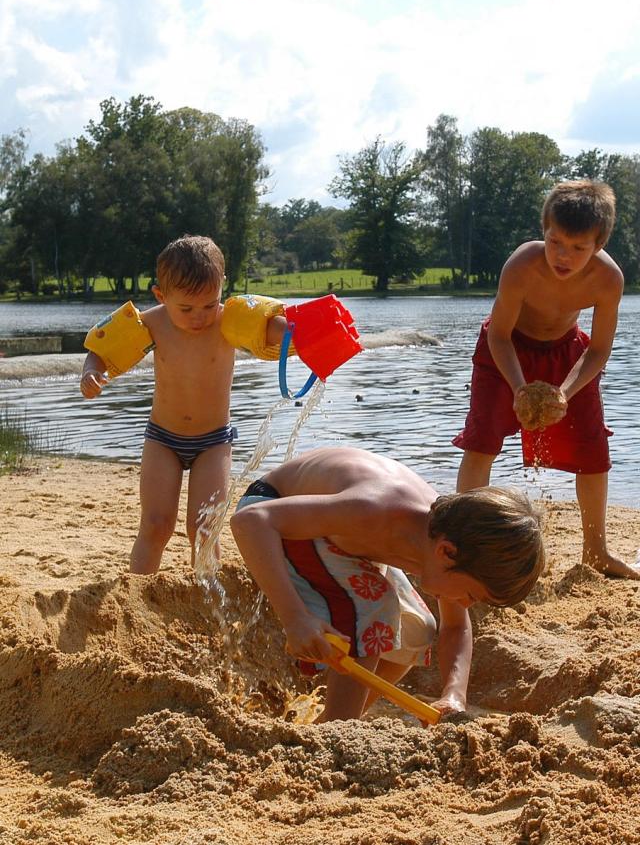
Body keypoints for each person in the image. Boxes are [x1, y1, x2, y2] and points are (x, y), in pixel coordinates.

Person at [230, 446, 544, 722]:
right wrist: (295, 619)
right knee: (374, 606)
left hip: (336, 535)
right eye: (472, 594)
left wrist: (454, 695)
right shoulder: (374, 510)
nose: (466, 604)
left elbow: (455, 628)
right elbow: (251, 521)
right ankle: (337, 727)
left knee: (417, 629)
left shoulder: (449, 539)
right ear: (446, 552)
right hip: (277, 512)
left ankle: (334, 720)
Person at [453, 179, 638, 580]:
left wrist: (565, 392)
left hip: (567, 352)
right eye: (555, 242)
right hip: (505, 349)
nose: (563, 256)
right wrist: (519, 387)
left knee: (593, 449)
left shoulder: (608, 279)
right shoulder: (522, 265)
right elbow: (498, 335)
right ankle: (464, 544)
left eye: (578, 248)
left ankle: (596, 552)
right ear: (544, 231)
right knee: (481, 440)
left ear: (598, 245)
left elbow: (599, 349)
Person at [80, 234, 286, 574]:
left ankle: (204, 599)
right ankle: (138, 593)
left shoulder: (229, 320)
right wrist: (91, 372)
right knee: (156, 523)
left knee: (204, 529)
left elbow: (272, 328)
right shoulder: (152, 323)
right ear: (162, 295)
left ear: (222, 288)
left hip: (214, 442)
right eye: (186, 308)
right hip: (163, 439)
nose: (199, 317)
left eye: (209, 304)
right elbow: (102, 350)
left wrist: (301, 331)